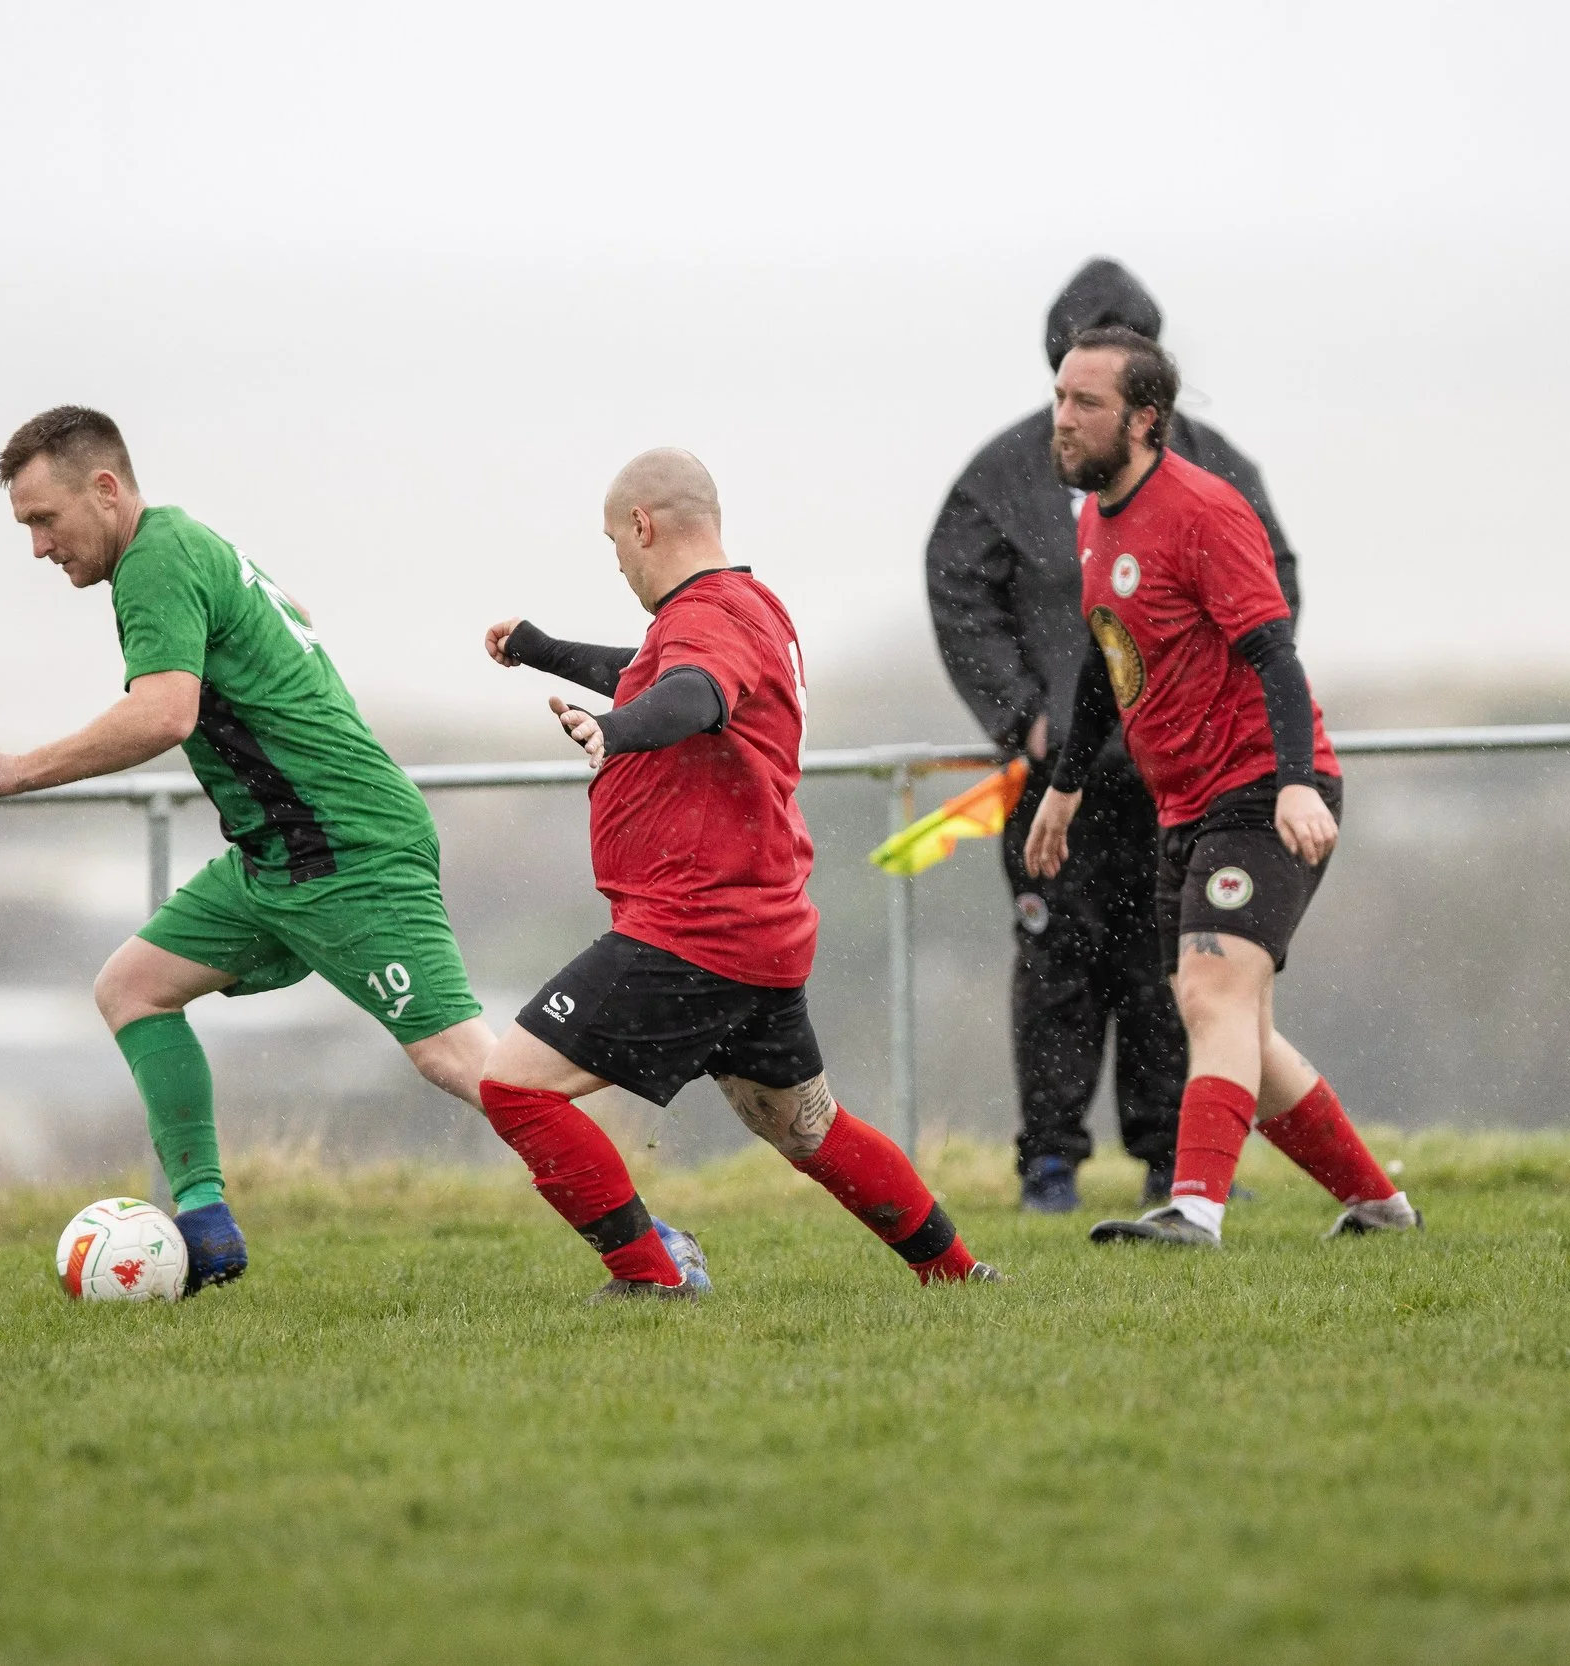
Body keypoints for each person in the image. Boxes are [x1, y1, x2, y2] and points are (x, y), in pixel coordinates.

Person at [0, 407, 497, 1293]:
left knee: (457, 1060)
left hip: (345, 847)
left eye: (45, 520)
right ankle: (206, 1227)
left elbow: (164, 714)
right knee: (132, 987)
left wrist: (19, 770)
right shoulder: (185, 541)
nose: (39, 548)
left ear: (105, 489)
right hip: (274, 858)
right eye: (26, 527)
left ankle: (638, 1231)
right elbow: (290, 612)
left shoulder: (154, 560)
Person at [480, 448, 1001, 1297]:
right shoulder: (739, 607)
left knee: (515, 1088)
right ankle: (957, 1271)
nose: (617, 564)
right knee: (806, 1128)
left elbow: (691, 695)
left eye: (615, 545)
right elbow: (656, 671)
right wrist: (545, 650)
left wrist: (614, 733)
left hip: (693, 930)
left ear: (643, 525)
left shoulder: (709, 620)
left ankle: (648, 1276)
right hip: (753, 930)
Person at [1022, 330, 1419, 1247]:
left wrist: (1292, 784)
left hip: (1263, 791)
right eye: (1060, 397)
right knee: (1244, 1026)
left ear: (1146, 419)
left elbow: (1275, 654)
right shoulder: (1094, 522)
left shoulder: (1205, 511)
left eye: (1087, 403)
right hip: (1187, 806)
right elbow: (1102, 665)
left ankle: (1195, 1209)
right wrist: (1065, 789)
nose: (1064, 418)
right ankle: (1381, 1207)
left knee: (1210, 997)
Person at [927, 259, 1306, 1213]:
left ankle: (1173, 1160)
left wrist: (1207, 715)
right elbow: (959, 590)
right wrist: (1023, 717)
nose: (1068, 411)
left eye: (1090, 387)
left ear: (1145, 386)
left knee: (1173, 974)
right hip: (1058, 776)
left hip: (1182, 781)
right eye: (1064, 379)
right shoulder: (1006, 474)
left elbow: (1274, 593)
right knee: (1055, 965)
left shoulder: (1214, 471)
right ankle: (1049, 1166)